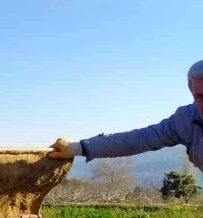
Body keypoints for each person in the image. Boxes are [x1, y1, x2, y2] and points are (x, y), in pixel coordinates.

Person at [49, 60, 203, 170]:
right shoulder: (185, 120)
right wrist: (77, 148)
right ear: (191, 90)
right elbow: (138, 140)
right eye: (200, 97)